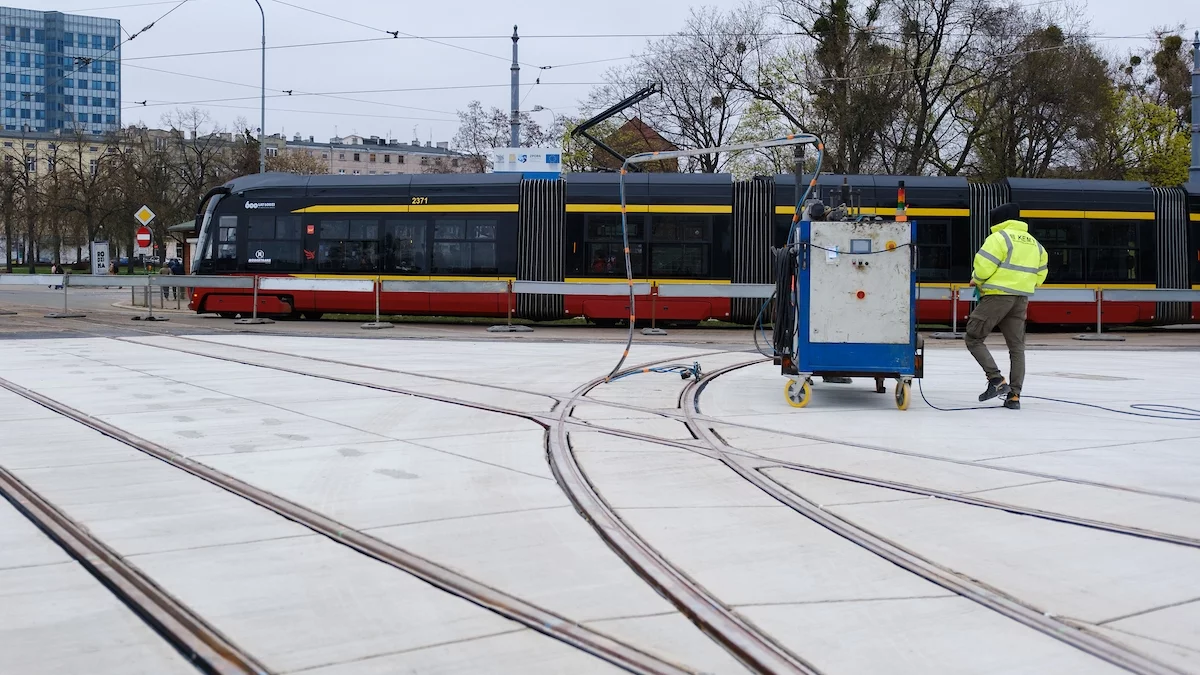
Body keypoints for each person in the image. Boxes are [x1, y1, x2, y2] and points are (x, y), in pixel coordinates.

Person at [965, 203, 1048, 410]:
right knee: (1016, 347)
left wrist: (976, 279)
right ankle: (1014, 397)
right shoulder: (1035, 243)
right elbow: (1041, 273)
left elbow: (984, 266)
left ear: (998, 220)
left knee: (973, 337)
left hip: (997, 297)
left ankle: (996, 380)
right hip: (1021, 299)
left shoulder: (998, 238)